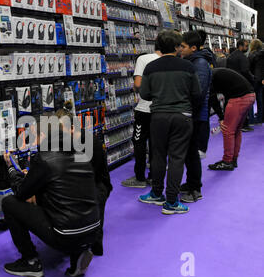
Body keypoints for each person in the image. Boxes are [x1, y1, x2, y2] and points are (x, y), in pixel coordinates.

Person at [1, 116, 100, 277]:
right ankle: (78, 251)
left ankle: (30, 261)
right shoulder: (80, 153)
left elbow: (21, 193)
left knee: (9, 203)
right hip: (93, 229)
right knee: (67, 203)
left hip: (65, 232)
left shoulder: (45, 158)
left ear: (44, 137)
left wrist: (11, 168)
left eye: (35, 136)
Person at [138, 30, 202, 215]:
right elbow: (197, 93)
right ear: (176, 47)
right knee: (177, 158)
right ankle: (172, 201)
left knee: (158, 155)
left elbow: (144, 94)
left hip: (158, 116)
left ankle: (156, 194)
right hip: (182, 115)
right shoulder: (188, 67)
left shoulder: (151, 67)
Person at [56, 103, 113, 256]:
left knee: (94, 197)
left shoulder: (90, 142)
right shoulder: (60, 142)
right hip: (75, 183)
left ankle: (95, 239)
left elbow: (94, 174)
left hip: (96, 183)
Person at [121, 44, 162, 189]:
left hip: (144, 109)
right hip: (160, 109)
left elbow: (138, 84)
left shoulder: (143, 59)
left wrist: (137, 88)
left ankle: (139, 177)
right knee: (155, 143)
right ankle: (153, 176)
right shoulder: (168, 60)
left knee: (138, 141)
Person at [179, 31, 212, 203]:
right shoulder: (192, 61)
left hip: (195, 115)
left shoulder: (199, 63)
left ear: (193, 48)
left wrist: (188, 112)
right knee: (187, 153)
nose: (180, 49)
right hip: (192, 113)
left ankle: (195, 189)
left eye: (183, 47)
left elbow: (198, 94)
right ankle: (191, 182)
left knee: (192, 154)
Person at [208, 68, 256, 170]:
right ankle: (233, 159)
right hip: (250, 95)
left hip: (239, 98)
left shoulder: (208, 77)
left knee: (227, 130)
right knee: (236, 130)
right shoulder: (217, 73)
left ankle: (227, 161)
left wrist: (221, 118)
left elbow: (212, 98)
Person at [227, 39, 255, 132]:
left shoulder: (231, 56)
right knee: (244, 106)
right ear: (240, 46)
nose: (247, 48)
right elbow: (245, 71)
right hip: (242, 84)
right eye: (246, 46)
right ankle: (243, 125)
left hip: (232, 83)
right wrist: (252, 79)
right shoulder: (242, 57)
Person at [248, 39, 264, 125]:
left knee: (250, 100)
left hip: (253, 79)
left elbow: (248, 68)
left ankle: (251, 119)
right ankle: (260, 118)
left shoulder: (251, 55)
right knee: (260, 99)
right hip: (261, 80)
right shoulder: (262, 54)